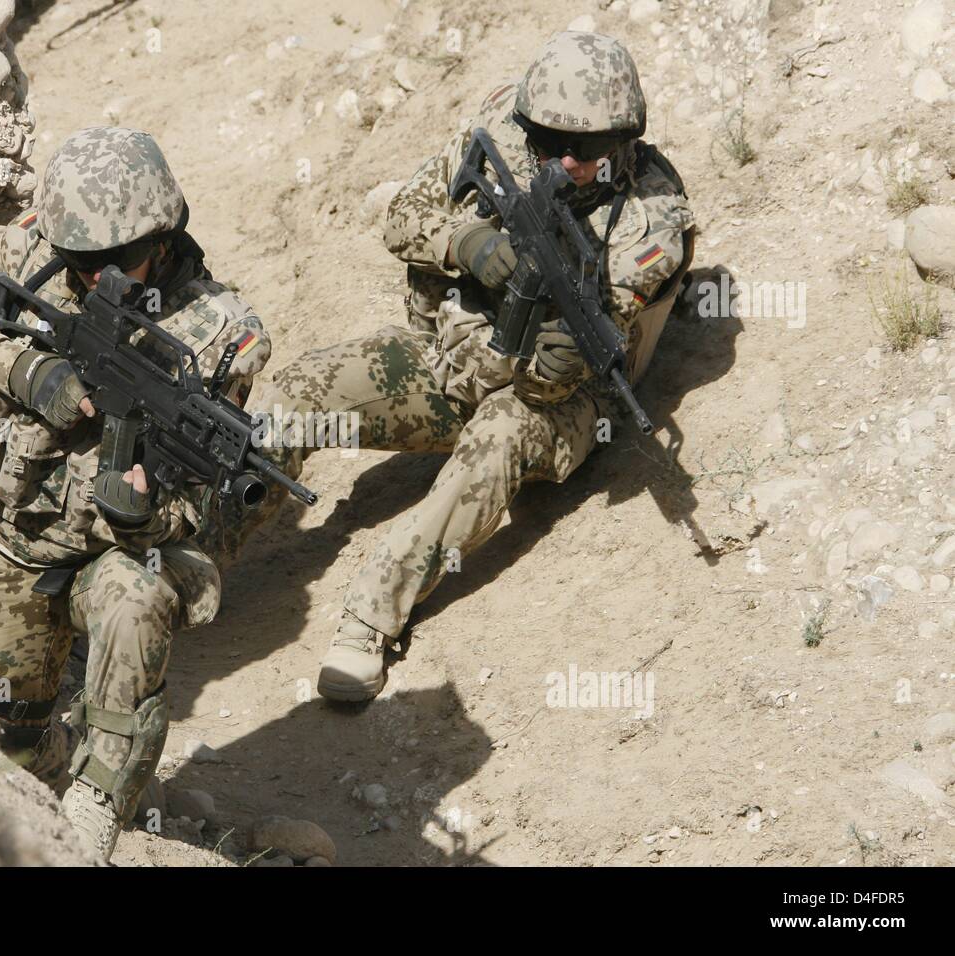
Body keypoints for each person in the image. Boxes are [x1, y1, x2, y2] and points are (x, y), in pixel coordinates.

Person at [243, 31, 696, 701]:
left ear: (624, 138)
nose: (566, 161)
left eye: (589, 150)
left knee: (495, 443)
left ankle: (371, 615)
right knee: (301, 389)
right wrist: (465, 241)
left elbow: (558, 376)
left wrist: (555, 351)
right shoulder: (504, 130)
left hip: (552, 401)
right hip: (447, 356)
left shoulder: (651, 222)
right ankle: (202, 537)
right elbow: (401, 217)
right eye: (548, 142)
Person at [0, 126, 271, 862]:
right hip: (9, 539)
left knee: (139, 595)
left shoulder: (219, 334)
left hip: (117, 554)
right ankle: (65, 755)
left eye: (119, 259)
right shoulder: (36, 257)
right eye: (82, 262)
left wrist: (145, 516)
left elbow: (208, 514)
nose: (94, 277)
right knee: (1, 740)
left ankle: (98, 802)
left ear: (164, 237)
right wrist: (24, 371)